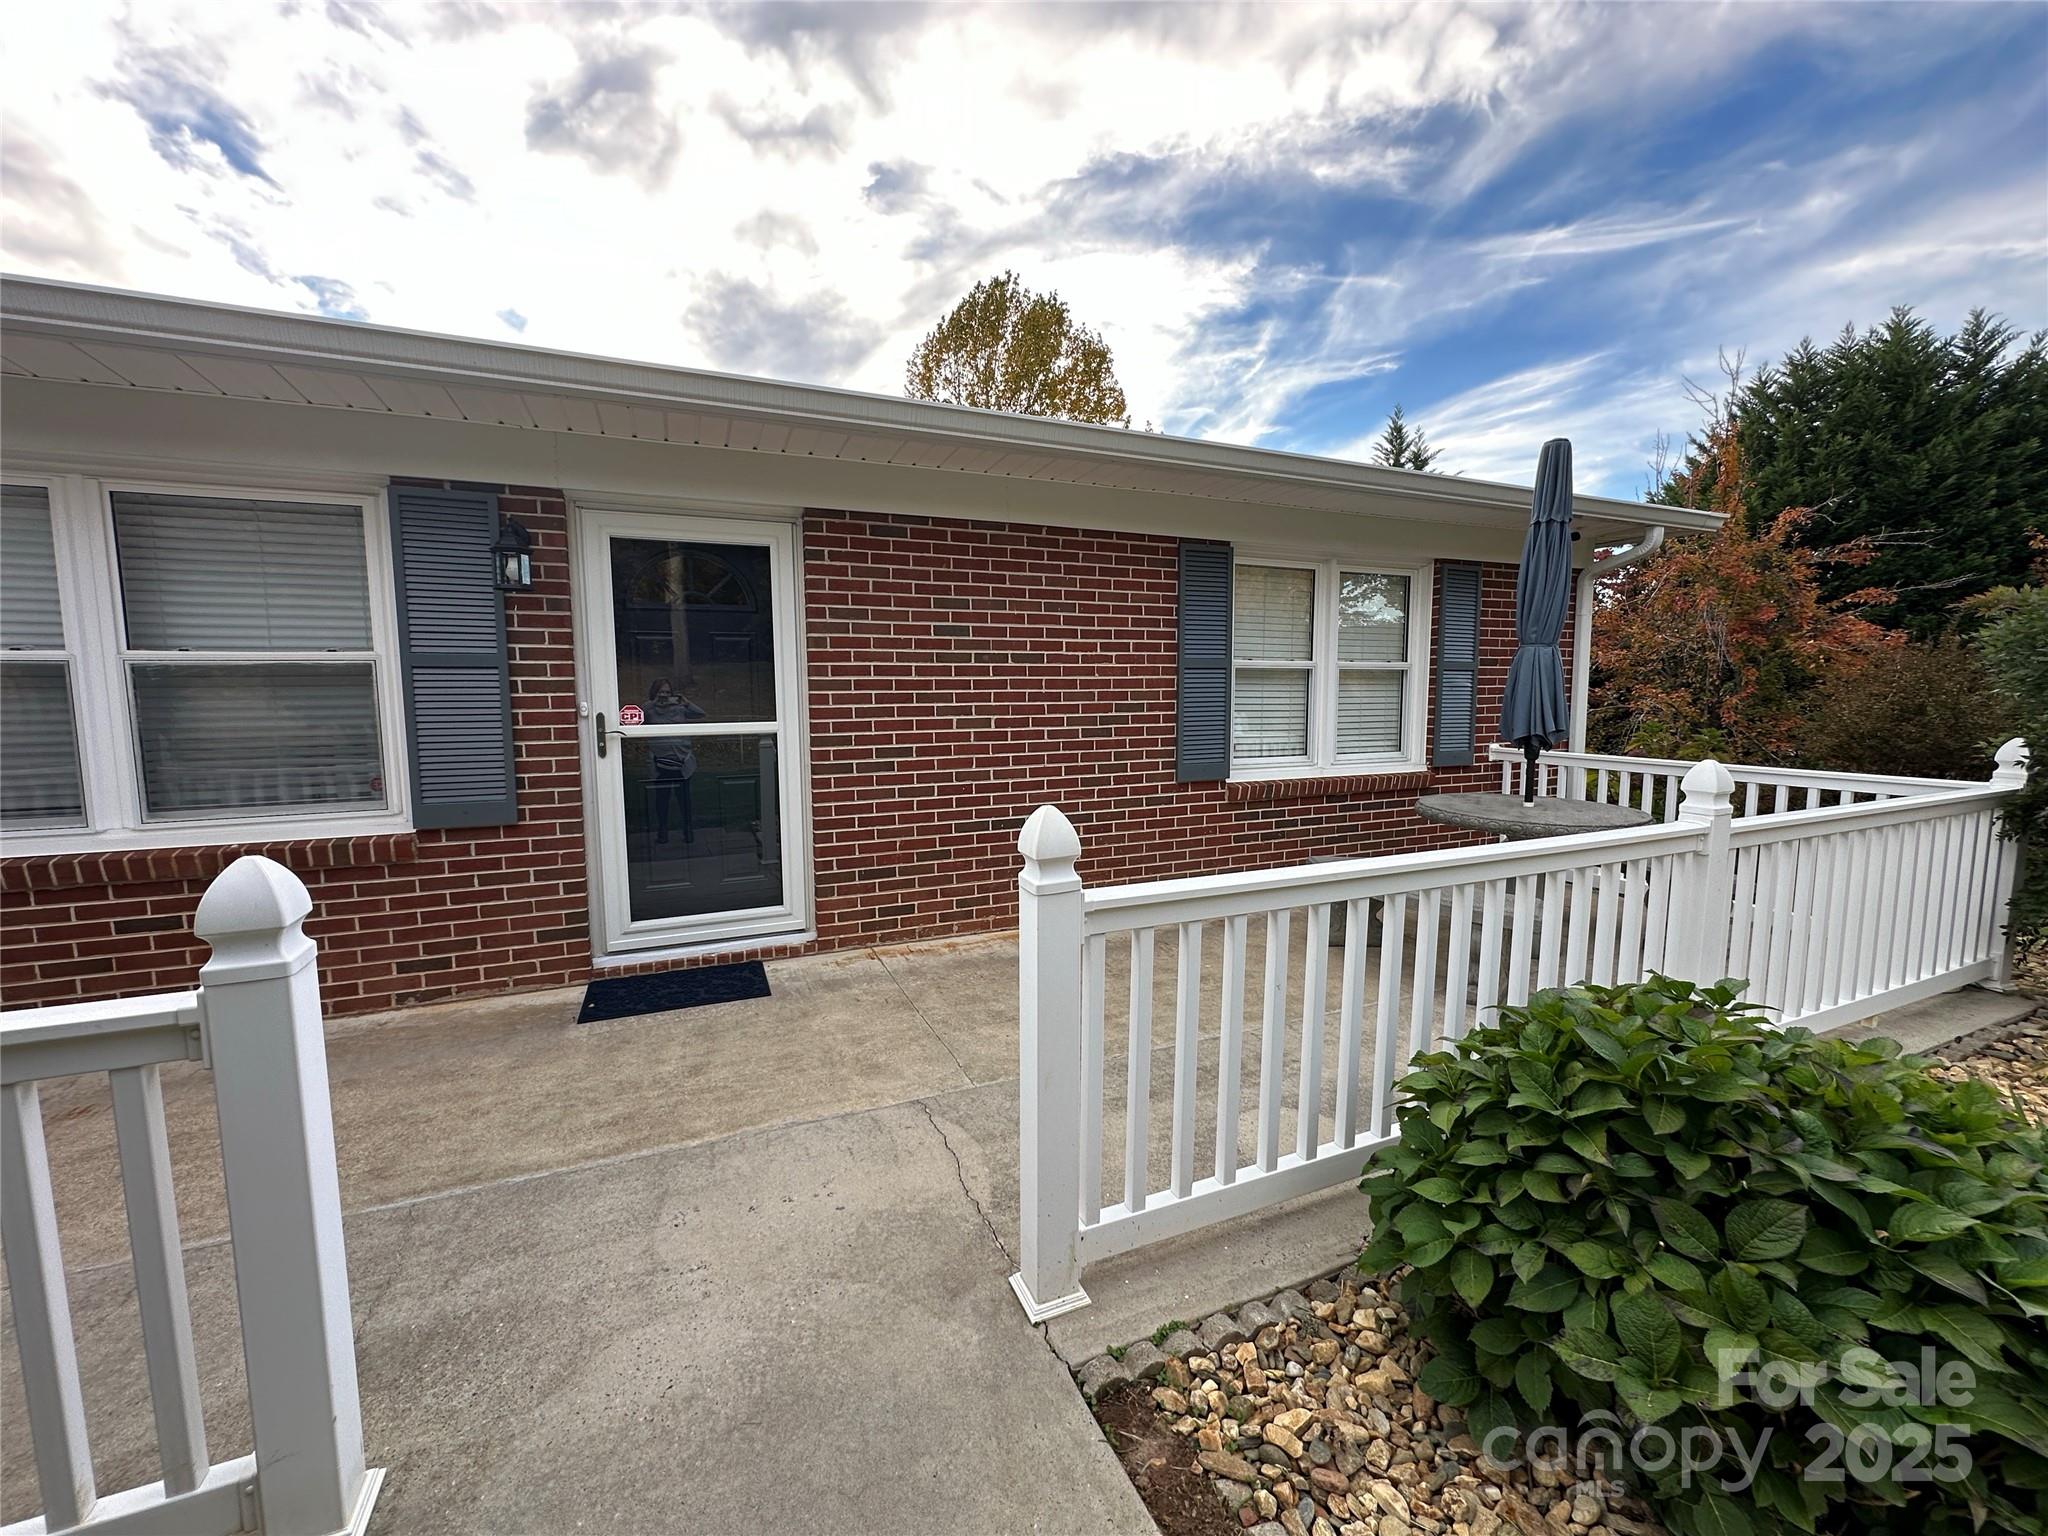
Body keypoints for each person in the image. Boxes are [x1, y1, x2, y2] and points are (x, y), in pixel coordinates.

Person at [644, 678, 706, 845]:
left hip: (681, 762)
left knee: (684, 800)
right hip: (660, 763)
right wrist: (652, 703)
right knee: (661, 800)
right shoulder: (649, 711)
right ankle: (662, 832)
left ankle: (688, 831)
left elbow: (701, 714)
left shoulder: (679, 709)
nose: (664, 696)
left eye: (667, 693)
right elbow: (634, 719)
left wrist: (686, 702)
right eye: (661, 692)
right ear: (654, 694)